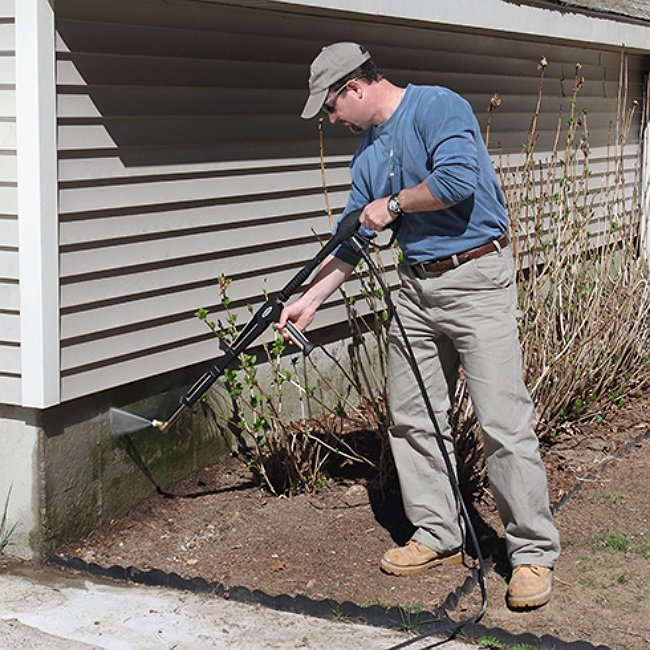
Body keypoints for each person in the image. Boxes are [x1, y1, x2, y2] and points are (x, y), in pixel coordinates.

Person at [278, 42, 560, 610]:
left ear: (354, 87)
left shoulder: (437, 107)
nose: (331, 120)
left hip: (476, 279)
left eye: (331, 107)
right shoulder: (366, 157)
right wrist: (310, 300)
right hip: (415, 290)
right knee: (411, 417)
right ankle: (439, 532)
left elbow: (457, 180)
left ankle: (531, 551)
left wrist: (395, 205)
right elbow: (353, 239)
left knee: (503, 421)